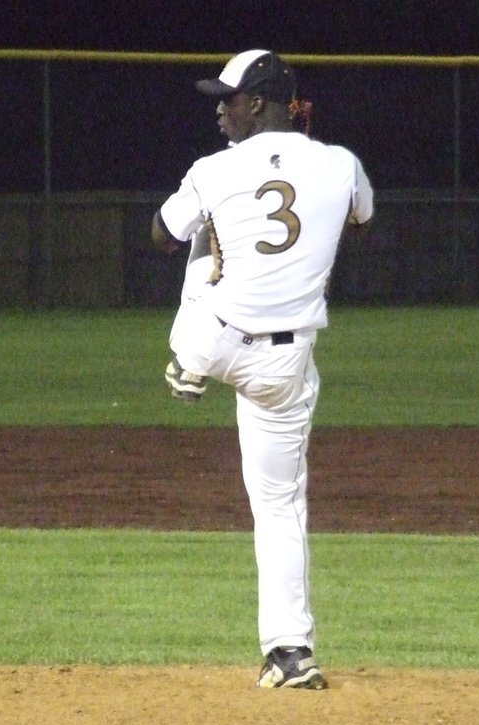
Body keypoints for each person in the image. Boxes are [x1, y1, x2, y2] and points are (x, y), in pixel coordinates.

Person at [152, 49, 374, 689]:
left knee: (202, 235)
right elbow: (364, 217)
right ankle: (291, 652)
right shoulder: (341, 164)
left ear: (259, 102)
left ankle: (187, 361)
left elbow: (161, 235)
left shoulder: (214, 168)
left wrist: (225, 216)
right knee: (281, 506)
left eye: (229, 98)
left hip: (217, 338)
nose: (220, 109)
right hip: (286, 362)